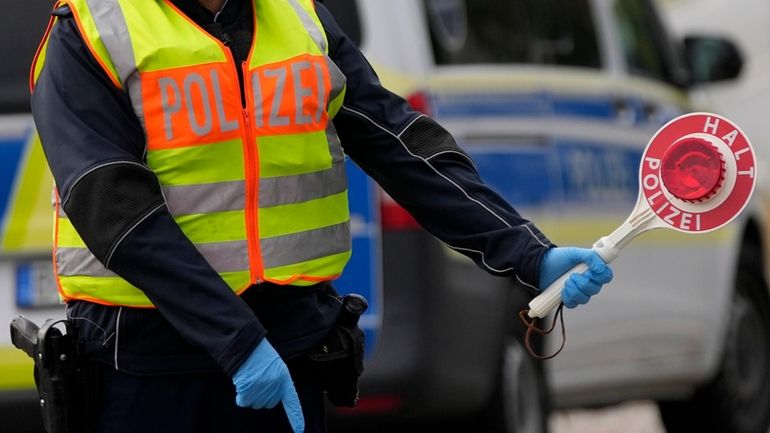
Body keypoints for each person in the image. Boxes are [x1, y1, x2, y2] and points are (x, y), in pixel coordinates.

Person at [29, 0, 613, 432]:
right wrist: (235, 340)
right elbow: (109, 202)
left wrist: (528, 253)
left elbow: (400, 143)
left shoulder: (299, 19)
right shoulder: (91, 30)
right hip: (149, 360)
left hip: (287, 344)